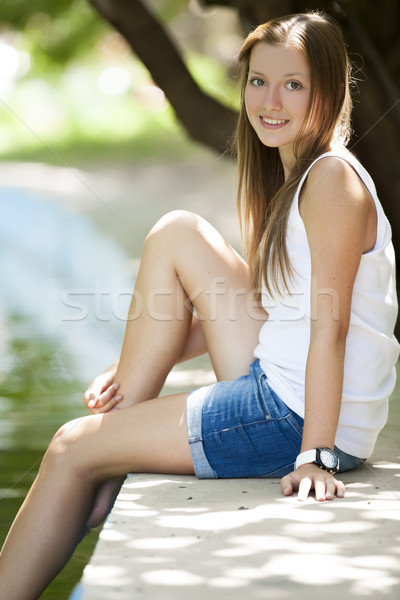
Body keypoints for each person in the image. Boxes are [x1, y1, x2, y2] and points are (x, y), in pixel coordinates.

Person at [0, 11, 398, 599]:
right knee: (178, 231)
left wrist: (315, 455)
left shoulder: (331, 183)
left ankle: (98, 458)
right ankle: (116, 436)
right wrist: (143, 356)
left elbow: (329, 327)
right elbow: (275, 308)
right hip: (290, 395)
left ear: (331, 91)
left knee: (67, 446)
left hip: (295, 418)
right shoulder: (301, 175)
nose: (270, 100)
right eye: (258, 81)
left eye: (294, 84)